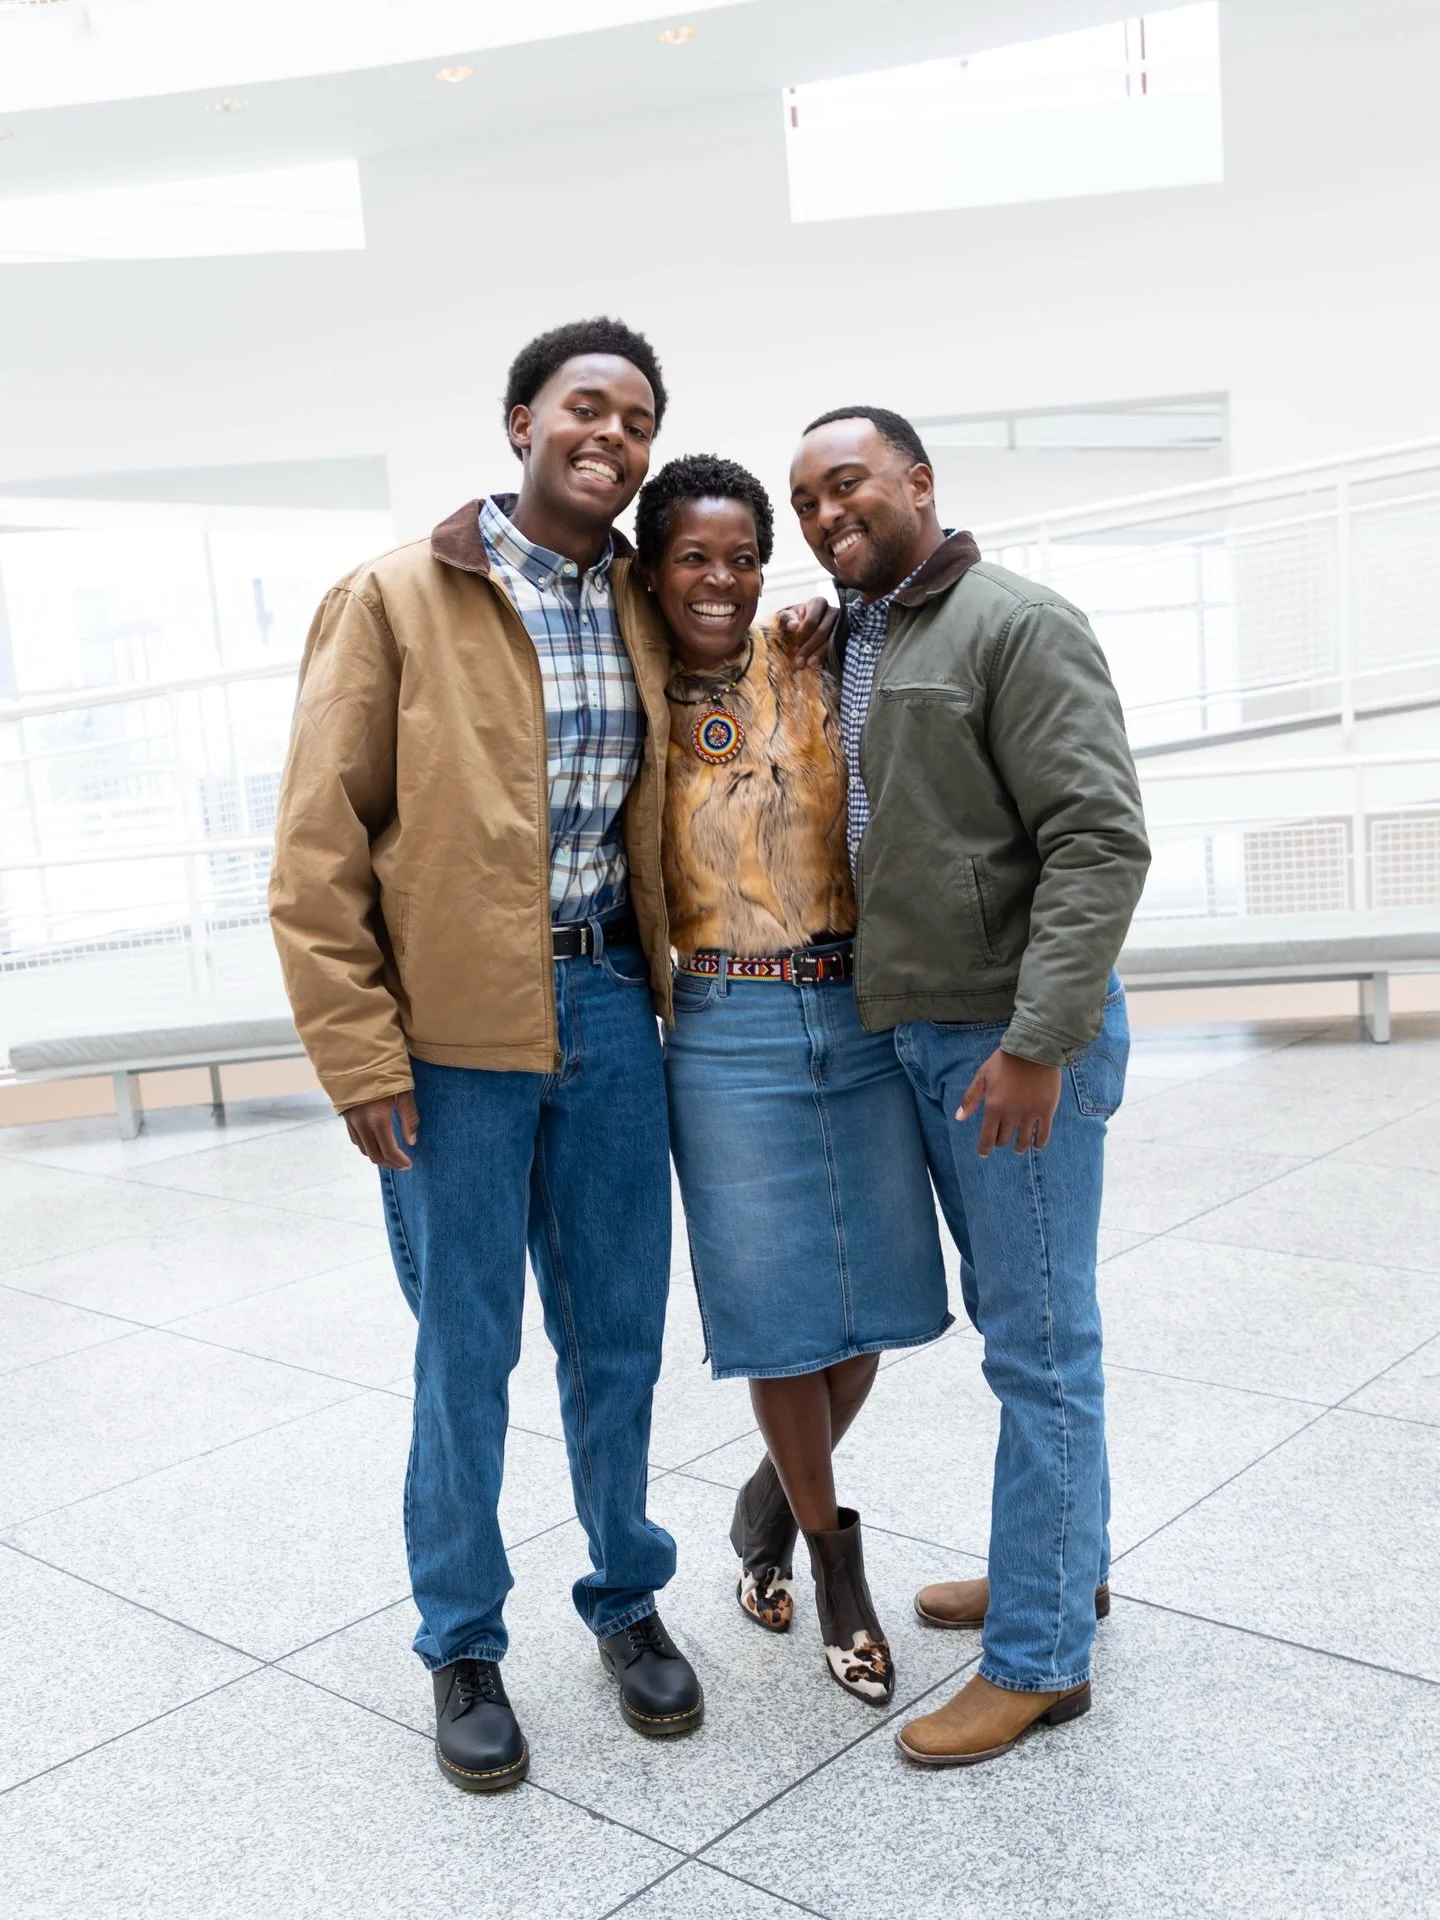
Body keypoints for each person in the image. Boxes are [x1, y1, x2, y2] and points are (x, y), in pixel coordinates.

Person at [788, 406, 1150, 1766]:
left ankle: (1043, 1658)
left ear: (921, 483)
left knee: (1042, 1351)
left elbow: (1100, 844)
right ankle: (1065, 1567)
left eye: (851, 486)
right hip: (929, 1033)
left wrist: (1041, 1044)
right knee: (1028, 1324)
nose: (829, 515)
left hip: (1011, 1045)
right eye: (809, 501)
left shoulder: (1017, 622)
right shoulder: (866, 635)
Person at [634, 452, 951, 1706]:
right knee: (777, 1316)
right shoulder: (633, 695)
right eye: (694, 559)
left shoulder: (812, 657)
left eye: (742, 556)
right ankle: (834, 1567)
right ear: (652, 570)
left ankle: (771, 1498)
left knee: (875, 1308)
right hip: (721, 1027)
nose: (721, 580)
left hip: (857, 1010)